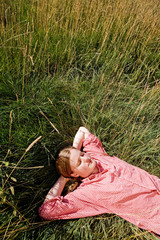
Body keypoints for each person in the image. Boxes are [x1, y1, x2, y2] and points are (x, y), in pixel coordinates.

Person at [39, 127, 160, 238]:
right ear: (74, 174)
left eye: (82, 154)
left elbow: (82, 131)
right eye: (79, 162)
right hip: (155, 213)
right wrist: (63, 178)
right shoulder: (87, 192)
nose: (85, 158)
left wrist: (74, 150)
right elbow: (46, 211)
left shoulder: (97, 155)